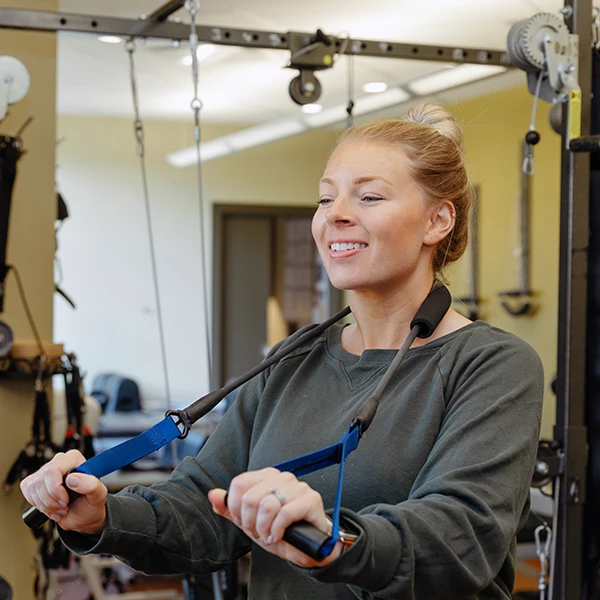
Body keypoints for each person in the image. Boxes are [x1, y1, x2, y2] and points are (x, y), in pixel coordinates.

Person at [21, 103, 544, 599]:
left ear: (438, 222)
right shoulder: (295, 358)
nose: (333, 216)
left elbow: (461, 539)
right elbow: (205, 506)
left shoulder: (493, 366)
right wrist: (103, 516)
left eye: (369, 197)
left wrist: (330, 540)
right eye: (325, 198)